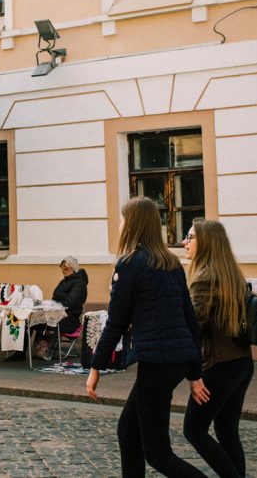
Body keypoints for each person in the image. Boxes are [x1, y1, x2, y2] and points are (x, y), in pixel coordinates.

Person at [87, 196, 208, 478]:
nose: (120, 224)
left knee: (158, 453)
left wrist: (95, 368)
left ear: (134, 224)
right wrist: (194, 372)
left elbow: (116, 322)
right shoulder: (172, 264)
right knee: (128, 432)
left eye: (123, 219)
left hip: (158, 363)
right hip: (173, 362)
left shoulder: (130, 264)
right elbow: (191, 322)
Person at [182, 219, 254, 478]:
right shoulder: (231, 274)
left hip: (218, 365)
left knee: (193, 429)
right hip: (241, 362)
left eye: (190, 237)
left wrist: (192, 373)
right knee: (226, 430)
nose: (184, 242)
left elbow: (194, 327)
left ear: (206, 242)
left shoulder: (204, 278)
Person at [33, 256, 88, 360]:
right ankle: (21, 353)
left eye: (66, 268)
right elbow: (56, 298)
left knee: (51, 322)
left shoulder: (80, 283)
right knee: (33, 321)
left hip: (70, 318)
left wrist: (54, 304)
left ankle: (47, 351)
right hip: (57, 313)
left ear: (74, 268)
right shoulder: (64, 281)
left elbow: (70, 303)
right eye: (62, 268)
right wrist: (48, 304)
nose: (63, 271)